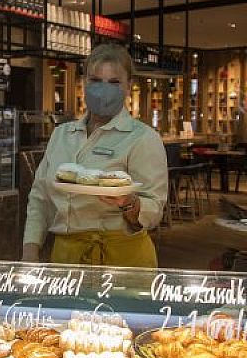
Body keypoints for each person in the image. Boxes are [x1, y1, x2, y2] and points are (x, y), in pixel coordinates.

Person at [23, 44, 168, 267]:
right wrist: (30, 251)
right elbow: (40, 197)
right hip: (65, 258)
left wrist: (129, 203)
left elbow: (154, 209)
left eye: (114, 82)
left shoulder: (143, 138)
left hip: (122, 258)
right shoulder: (62, 134)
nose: (103, 89)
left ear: (128, 86)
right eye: (95, 80)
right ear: (84, 82)